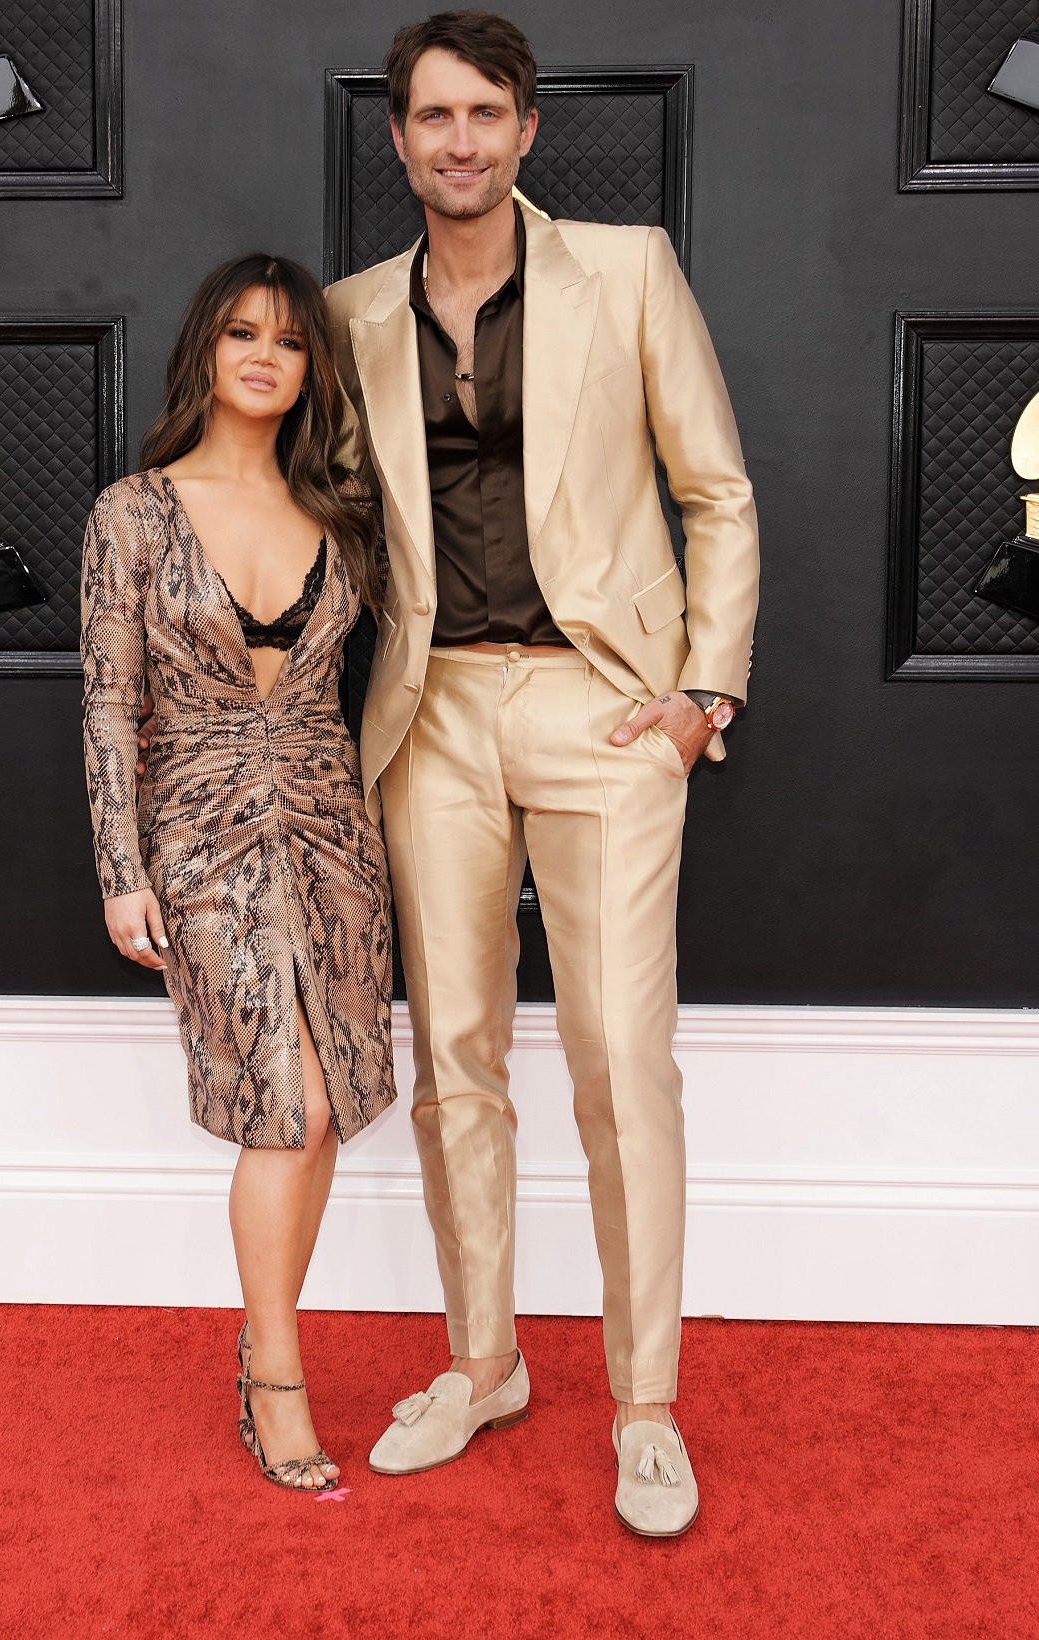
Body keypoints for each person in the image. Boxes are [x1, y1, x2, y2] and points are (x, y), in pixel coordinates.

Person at [326, 12, 759, 1536]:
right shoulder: (347, 313)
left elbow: (716, 490)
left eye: (485, 115)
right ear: (398, 139)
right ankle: (484, 1360)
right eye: (432, 117)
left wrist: (704, 694)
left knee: (619, 1064)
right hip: (431, 714)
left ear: (527, 131)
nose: (459, 141)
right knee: (455, 1062)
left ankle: (644, 1403)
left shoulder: (626, 270)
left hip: (607, 711)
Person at [79, 254, 395, 1494]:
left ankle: (264, 1343)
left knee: (324, 1111)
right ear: (205, 351)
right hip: (199, 834)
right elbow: (108, 704)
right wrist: (121, 868)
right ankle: (277, 1374)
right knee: (288, 1104)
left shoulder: (342, 508)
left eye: (289, 340)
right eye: (240, 333)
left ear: (312, 368)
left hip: (330, 828)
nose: (264, 354)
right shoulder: (133, 511)